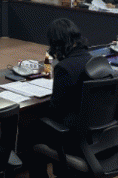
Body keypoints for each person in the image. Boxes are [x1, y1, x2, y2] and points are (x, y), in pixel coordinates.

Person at [30, 19, 91, 178]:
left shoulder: (65, 68)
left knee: (32, 127)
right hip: (93, 129)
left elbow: (55, 110)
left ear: (56, 43)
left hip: (71, 131)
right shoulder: (93, 60)